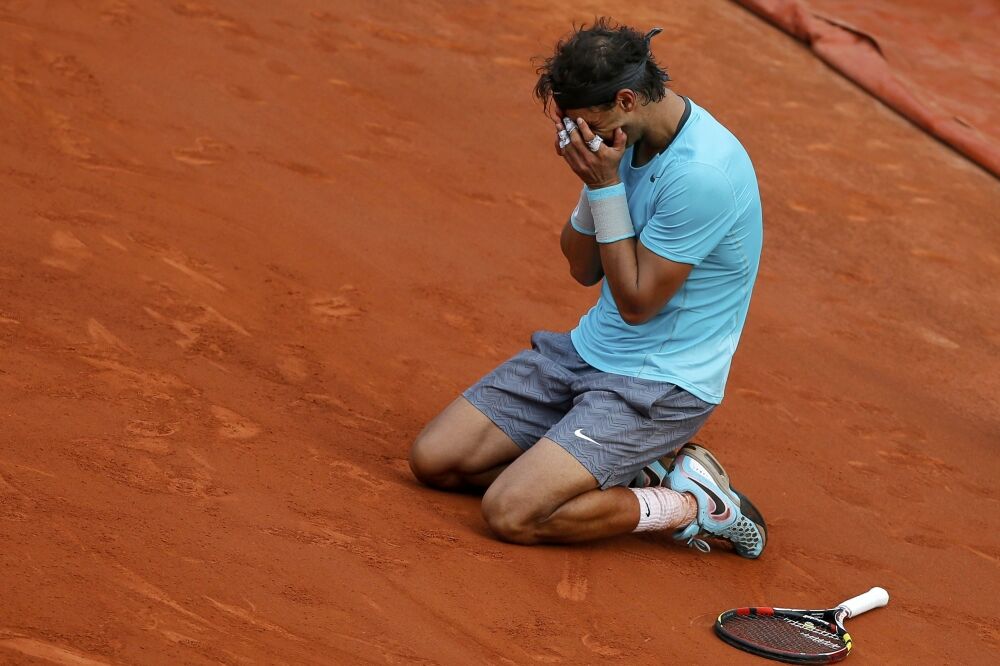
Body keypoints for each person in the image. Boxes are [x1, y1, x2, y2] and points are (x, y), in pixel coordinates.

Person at [409, 18, 766, 558]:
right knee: (436, 460)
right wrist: (598, 183)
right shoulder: (620, 143)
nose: (575, 136)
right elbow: (582, 268)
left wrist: (605, 184)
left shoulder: (703, 176)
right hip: (587, 352)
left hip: (659, 386)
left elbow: (638, 303)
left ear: (626, 99)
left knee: (512, 511)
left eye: (581, 121)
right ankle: (634, 470)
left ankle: (691, 505)